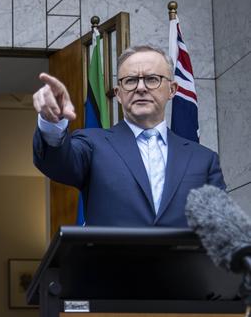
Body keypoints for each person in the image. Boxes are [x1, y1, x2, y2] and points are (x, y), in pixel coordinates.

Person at [32, 44, 225, 227]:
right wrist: (52, 123)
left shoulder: (204, 159)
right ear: (118, 93)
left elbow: (221, 228)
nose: (141, 88)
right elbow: (58, 163)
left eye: (152, 79)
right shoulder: (92, 144)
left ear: (172, 90)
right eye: (131, 81)